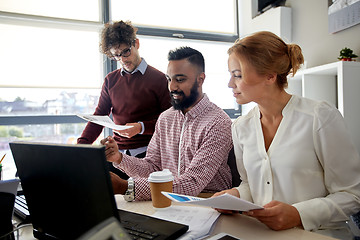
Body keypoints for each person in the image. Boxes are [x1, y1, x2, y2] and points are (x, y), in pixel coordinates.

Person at [213, 31, 360, 235]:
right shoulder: (241, 126)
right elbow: (250, 185)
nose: (230, 84)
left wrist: (298, 214)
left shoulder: (319, 116)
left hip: (316, 234)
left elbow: (352, 195)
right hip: (261, 233)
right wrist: (234, 195)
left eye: (237, 75)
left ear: (270, 76)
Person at [101, 46, 233, 201]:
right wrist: (119, 158)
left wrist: (126, 187)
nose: (172, 87)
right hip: (170, 200)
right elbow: (152, 168)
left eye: (180, 79)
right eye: (169, 79)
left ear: (201, 79)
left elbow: (192, 182)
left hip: (208, 202)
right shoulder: (165, 118)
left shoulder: (219, 122)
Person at [77, 21, 171, 178]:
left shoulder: (160, 79)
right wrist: (81, 147)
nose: (122, 60)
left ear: (137, 44)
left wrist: (140, 127)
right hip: (117, 156)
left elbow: (170, 122)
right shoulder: (110, 80)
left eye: (126, 52)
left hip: (148, 156)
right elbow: (99, 115)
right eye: (116, 55)